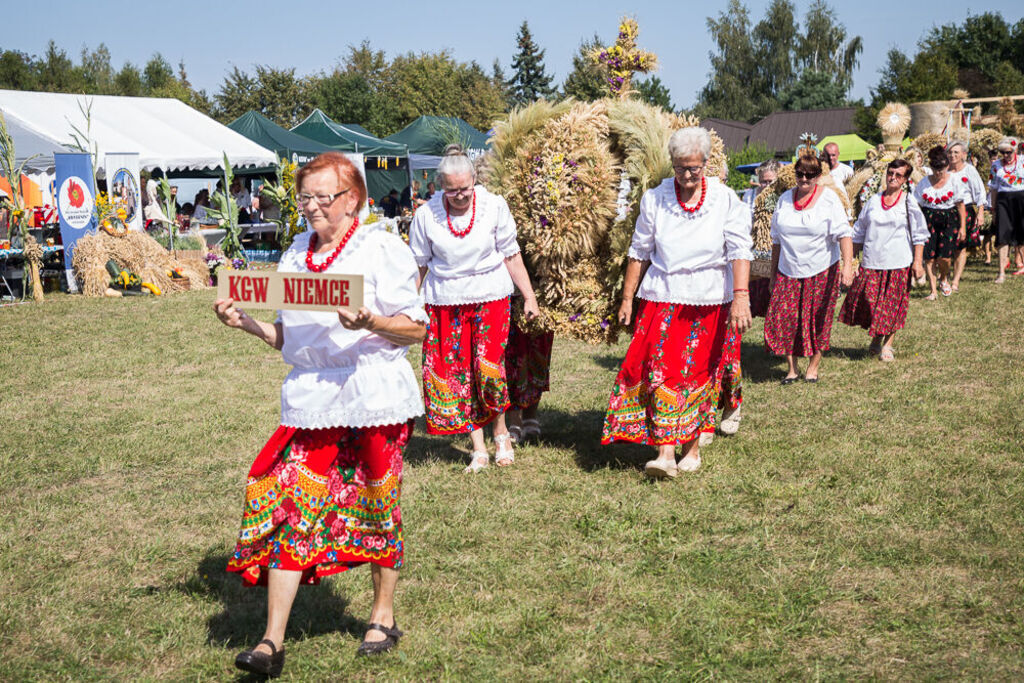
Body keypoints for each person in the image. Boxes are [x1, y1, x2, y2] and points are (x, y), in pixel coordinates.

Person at [214, 152, 427, 673]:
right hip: (312, 403)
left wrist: (371, 320)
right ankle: (271, 642)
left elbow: (416, 328)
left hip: (373, 397)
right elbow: (292, 339)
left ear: (351, 199)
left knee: (377, 502)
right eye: (304, 197)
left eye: (320, 197)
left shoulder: (380, 248)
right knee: (290, 503)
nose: (310, 207)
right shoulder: (293, 255)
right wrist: (246, 324)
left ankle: (381, 615)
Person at [601, 127, 753, 478]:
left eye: (694, 168)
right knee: (658, 367)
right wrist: (627, 298)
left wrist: (741, 298)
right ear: (672, 163)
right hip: (663, 296)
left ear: (706, 164)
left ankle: (693, 448)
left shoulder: (725, 198)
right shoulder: (655, 198)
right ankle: (665, 453)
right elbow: (639, 252)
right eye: (680, 168)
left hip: (709, 299)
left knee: (699, 372)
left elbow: (739, 250)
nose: (686, 175)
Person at [408, 152, 540, 473]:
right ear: (440, 186)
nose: (460, 195)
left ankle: (501, 434)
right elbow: (419, 265)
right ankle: (478, 447)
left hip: (490, 299)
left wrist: (529, 296)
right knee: (457, 374)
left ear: (474, 180)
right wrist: (409, 303)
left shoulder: (494, 206)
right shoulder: (426, 215)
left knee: (488, 368)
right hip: (445, 304)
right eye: (452, 190)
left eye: (465, 188)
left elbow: (511, 255)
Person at [764, 150, 854, 383]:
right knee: (786, 318)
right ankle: (792, 369)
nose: (804, 179)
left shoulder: (829, 199)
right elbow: (776, 241)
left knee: (818, 318)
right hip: (788, 269)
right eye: (800, 174)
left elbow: (844, 234)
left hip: (821, 269)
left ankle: (813, 367)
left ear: (818, 175)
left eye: (810, 175)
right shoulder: (784, 199)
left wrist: (847, 267)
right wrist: (773, 274)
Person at [839, 159, 928, 361]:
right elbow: (859, 232)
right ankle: (876, 339)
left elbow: (920, 234)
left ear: (905, 179)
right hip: (872, 261)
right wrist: (850, 261)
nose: (893, 177)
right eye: (890, 173)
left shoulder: (908, 201)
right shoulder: (873, 201)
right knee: (872, 304)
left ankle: (887, 345)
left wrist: (917, 262)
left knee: (893, 306)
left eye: (898, 175)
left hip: (898, 263)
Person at [913, 146, 967, 299]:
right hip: (928, 218)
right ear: (931, 167)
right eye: (936, 169)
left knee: (944, 257)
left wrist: (963, 227)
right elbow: (916, 206)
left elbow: (960, 205)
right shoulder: (923, 183)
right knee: (929, 257)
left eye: (942, 169)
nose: (939, 173)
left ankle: (943, 278)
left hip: (949, 219)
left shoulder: (954, 181)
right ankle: (933, 291)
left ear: (947, 166)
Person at [504, 320, 554, 444]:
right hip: (510, 304)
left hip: (540, 305)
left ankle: (530, 416)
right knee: (513, 356)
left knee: (539, 351)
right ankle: (515, 421)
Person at [947, 141, 987, 292]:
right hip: (947, 211)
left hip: (966, 211)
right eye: (950, 152)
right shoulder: (944, 171)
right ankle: (945, 276)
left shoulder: (969, 170)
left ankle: (955, 281)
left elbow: (979, 192)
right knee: (947, 247)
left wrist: (981, 212)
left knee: (960, 247)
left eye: (956, 152)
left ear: (963, 154)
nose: (953, 155)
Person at [989, 137, 1024, 283]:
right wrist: (993, 208)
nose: (1006, 156)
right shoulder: (996, 165)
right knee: (1002, 235)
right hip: (1003, 200)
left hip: (1021, 197)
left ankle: (1022, 264)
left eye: (1008, 152)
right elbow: (994, 188)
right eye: (1002, 152)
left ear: (1015, 151)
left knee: (1022, 232)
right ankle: (1001, 272)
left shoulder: (1022, 161)